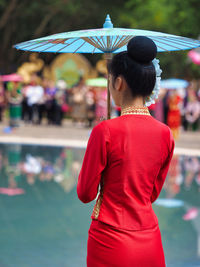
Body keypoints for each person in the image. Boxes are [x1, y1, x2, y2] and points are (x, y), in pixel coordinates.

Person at [77, 36, 175, 267]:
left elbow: (85, 193)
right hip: (149, 238)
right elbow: (151, 194)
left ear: (119, 83)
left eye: (111, 79)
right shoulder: (165, 133)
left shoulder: (105, 130)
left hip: (111, 239)